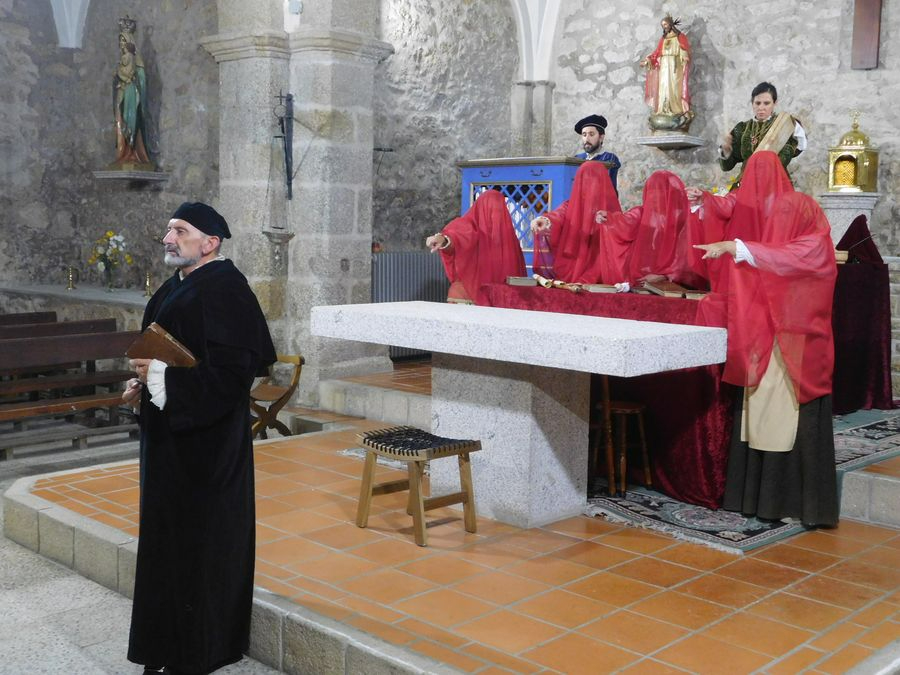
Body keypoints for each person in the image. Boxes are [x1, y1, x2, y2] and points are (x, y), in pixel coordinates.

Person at [123, 202, 276, 674]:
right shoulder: (177, 285)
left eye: (180, 231)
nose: (168, 239)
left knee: (201, 542)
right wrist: (143, 384)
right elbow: (158, 350)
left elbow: (233, 377)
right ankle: (164, 645)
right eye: (169, 230)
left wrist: (163, 380)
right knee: (166, 541)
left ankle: (200, 649)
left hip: (207, 447)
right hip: (168, 439)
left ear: (210, 242)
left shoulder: (227, 290)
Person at [694, 191, 838, 527]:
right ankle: (755, 498)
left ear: (803, 217)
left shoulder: (816, 244)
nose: (779, 223)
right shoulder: (790, 245)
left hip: (801, 348)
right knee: (760, 417)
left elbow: (785, 259)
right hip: (774, 339)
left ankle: (789, 501)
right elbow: (773, 260)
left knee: (785, 420)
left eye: (786, 215)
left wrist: (735, 247)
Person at [687, 150, 795, 295]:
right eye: (756, 169)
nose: (761, 174)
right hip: (742, 257)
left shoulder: (787, 200)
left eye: (765, 169)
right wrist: (704, 198)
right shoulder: (741, 195)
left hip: (772, 259)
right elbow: (725, 205)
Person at [596, 170, 704, 290]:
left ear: (670, 193)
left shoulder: (685, 219)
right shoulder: (641, 213)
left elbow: (687, 256)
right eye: (652, 191)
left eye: (659, 192)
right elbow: (624, 223)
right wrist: (608, 218)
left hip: (675, 283)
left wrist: (666, 275)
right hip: (640, 279)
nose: (654, 196)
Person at [425, 189, 526, 305]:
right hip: (466, 297)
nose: (494, 216)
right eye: (489, 210)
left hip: (499, 304)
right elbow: (456, 237)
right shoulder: (468, 226)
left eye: (499, 211)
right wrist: (443, 240)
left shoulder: (510, 241)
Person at [530, 161, 622, 284]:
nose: (589, 184)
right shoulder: (571, 205)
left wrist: (610, 220)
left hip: (602, 267)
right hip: (573, 264)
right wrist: (545, 220)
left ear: (602, 182)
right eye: (584, 180)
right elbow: (559, 215)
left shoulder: (611, 209)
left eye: (594, 180)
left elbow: (622, 228)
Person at [719, 81, 806, 189]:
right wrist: (726, 150)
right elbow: (726, 167)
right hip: (746, 187)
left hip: (775, 187)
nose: (761, 108)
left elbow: (784, 158)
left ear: (775, 103)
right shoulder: (742, 128)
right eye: (757, 103)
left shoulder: (783, 126)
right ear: (752, 103)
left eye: (766, 103)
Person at [640, 15, 692, 126]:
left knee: (674, 88)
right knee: (664, 88)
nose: (664, 27)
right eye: (662, 26)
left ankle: (676, 110)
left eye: (665, 24)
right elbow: (656, 53)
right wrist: (647, 61)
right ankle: (663, 110)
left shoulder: (680, 37)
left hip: (675, 66)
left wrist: (685, 55)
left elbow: (683, 49)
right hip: (664, 67)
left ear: (670, 24)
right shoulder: (663, 39)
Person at [113, 20, 152, 167]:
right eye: (120, 41)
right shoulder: (122, 61)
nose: (121, 44)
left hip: (131, 95)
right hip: (123, 94)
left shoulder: (135, 60)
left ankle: (134, 153)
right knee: (120, 121)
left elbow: (139, 78)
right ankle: (123, 153)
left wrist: (127, 78)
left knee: (132, 121)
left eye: (124, 41)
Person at [574, 114, 622, 192]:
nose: (587, 139)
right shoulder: (577, 158)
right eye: (584, 135)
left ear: (601, 137)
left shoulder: (609, 158)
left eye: (591, 134)